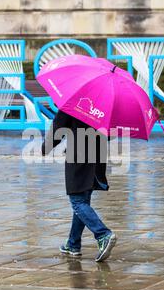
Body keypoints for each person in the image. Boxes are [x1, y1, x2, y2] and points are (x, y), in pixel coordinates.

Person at [42, 110, 117, 262]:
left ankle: (103, 234)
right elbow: (110, 134)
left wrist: (45, 148)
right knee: (83, 200)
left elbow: (58, 127)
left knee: (77, 201)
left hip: (78, 154)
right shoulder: (102, 104)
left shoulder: (73, 103)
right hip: (97, 154)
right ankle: (73, 244)